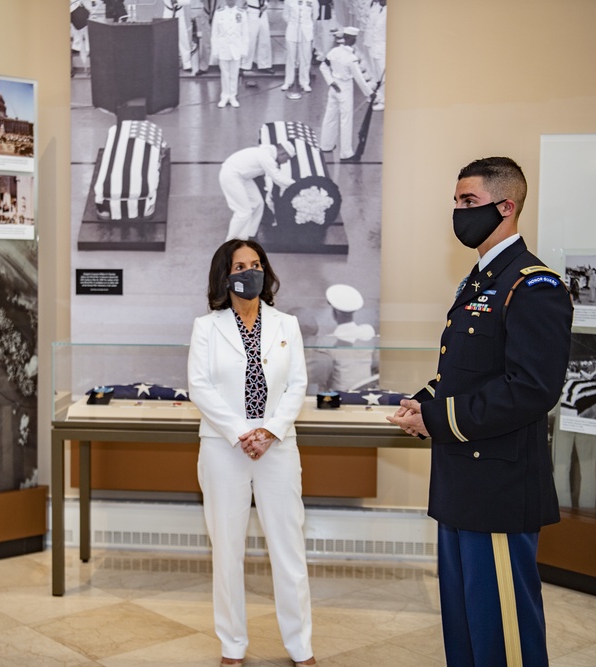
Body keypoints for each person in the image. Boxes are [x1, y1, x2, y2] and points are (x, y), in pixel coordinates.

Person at [388, 157, 573, 666]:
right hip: (461, 484)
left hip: (499, 487)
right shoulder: (481, 281)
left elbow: (532, 389)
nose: (459, 212)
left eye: (468, 201)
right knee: (467, 627)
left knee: (503, 632)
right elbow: (470, 371)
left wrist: (440, 420)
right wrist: (424, 402)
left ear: (506, 205)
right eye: (456, 202)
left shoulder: (533, 285)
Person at [188, 239, 316, 667]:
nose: (250, 271)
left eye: (256, 264)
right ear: (225, 276)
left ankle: (301, 648)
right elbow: (200, 387)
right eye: (240, 265)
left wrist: (270, 431)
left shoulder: (287, 324)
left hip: (278, 448)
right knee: (227, 550)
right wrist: (243, 432)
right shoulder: (207, 327)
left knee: (289, 548)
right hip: (224, 448)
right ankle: (232, 647)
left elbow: (297, 385)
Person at [219, 141, 296, 240]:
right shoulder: (266, 157)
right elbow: (277, 178)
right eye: (287, 159)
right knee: (243, 212)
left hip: (243, 177)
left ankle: (249, 235)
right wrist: (297, 185)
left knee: (258, 203)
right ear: (282, 153)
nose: (286, 162)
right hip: (231, 176)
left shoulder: (267, 153)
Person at [319, 26, 373, 160]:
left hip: (334, 87)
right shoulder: (351, 58)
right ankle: (346, 153)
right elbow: (359, 79)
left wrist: (331, 82)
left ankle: (326, 145)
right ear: (352, 39)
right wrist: (369, 93)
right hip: (345, 89)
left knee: (329, 117)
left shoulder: (334, 51)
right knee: (346, 120)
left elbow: (323, 66)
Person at [211, 0, 248, 108]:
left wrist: (244, 51)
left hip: (236, 48)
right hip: (223, 48)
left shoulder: (241, 13)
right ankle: (224, 96)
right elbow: (215, 34)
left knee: (234, 74)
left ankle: (233, 96)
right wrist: (215, 51)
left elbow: (245, 34)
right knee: (224, 74)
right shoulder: (219, 13)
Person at [282, 0, 317, 92]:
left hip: (306, 32)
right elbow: (285, 15)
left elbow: (315, 16)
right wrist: (293, 24)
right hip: (292, 30)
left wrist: (307, 25)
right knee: (290, 57)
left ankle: (304, 82)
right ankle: (288, 81)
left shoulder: (313, 1)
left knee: (305, 57)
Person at [361, 0, 386, 111]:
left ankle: (384, 100)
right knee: (377, 74)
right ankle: (379, 95)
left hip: (383, 47)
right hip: (375, 46)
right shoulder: (378, 8)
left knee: (383, 75)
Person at [241, 0, 272, 74]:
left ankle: (264, 65)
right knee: (250, 40)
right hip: (252, 12)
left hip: (263, 13)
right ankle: (244, 65)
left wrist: (266, 4)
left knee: (265, 40)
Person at [163, 0, 193, 71]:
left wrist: (178, 2)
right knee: (166, 39)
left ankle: (187, 64)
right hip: (168, 11)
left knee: (183, 38)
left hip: (179, 12)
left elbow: (189, 1)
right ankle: (167, 63)